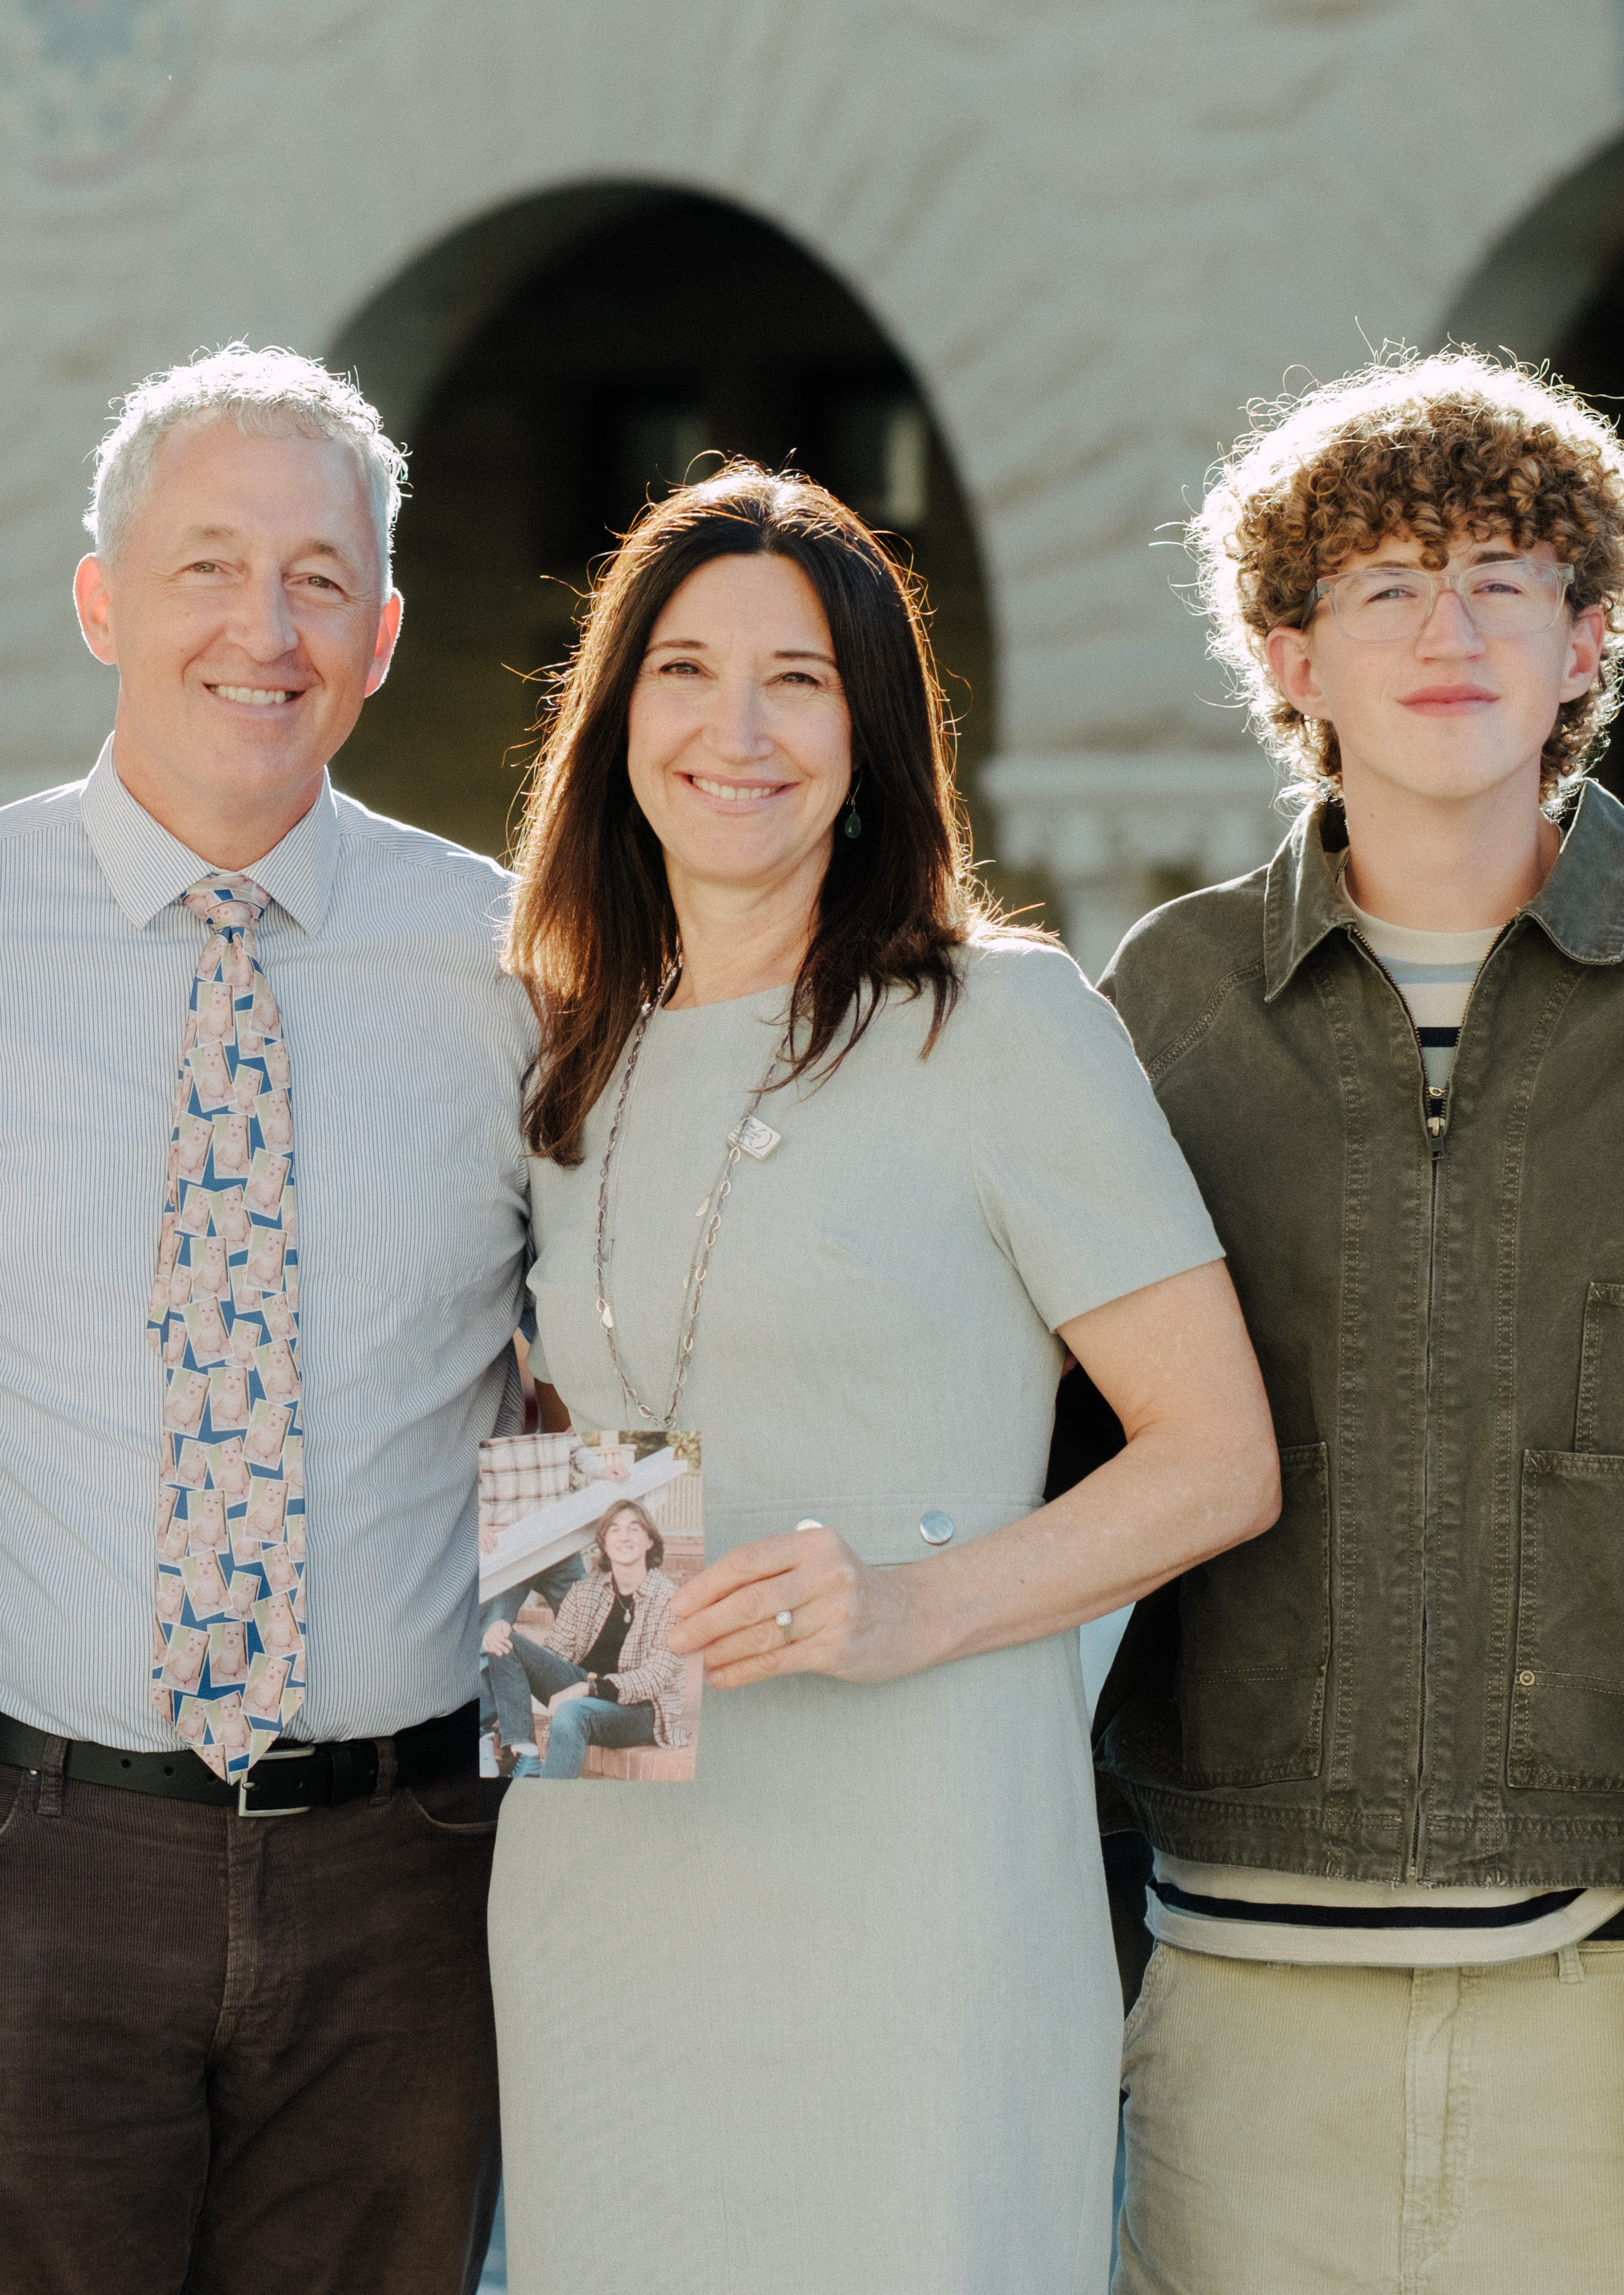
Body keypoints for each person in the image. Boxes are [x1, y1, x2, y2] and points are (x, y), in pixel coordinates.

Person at [0, 347, 533, 2295]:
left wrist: (613, 1805)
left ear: (383, 633)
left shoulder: (520, 966)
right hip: (9, 1859)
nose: (262, 630)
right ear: (103, 602)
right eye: (205, 567)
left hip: (415, 1872)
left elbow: (596, 1380)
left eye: (319, 579)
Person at [495, 465, 1282, 2293]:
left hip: (916, 1887)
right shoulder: (560, 1052)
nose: (739, 730)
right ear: (617, 720)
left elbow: (1221, 1457)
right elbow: (574, 1456)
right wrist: (587, 1701)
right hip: (604, 1877)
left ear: (876, 735)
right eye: (685, 671)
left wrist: (914, 1605)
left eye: (802, 679)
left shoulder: (999, 1026)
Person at [1094, 351, 1624, 2294]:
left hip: (1622, 1991)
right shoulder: (1159, 1004)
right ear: (1290, 655)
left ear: (1589, 640)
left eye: (1504, 578)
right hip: (1237, 1999)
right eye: (1385, 587)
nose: (1449, 630)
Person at [480, 1497, 685, 1778]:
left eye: (634, 1529)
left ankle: (551, 1808)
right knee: (502, 1638)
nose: (624, 1537)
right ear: (603, 1543)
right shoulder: (584, 1592)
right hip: (584, 1689)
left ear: (650, 1541)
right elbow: (556, 1655)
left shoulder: (671, 1600)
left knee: (572, 1712)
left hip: (643, 1712)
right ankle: (526, 1754)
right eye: (614, 1530)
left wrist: (589, 1688)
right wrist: (505, 1630)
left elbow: (654, 1678)